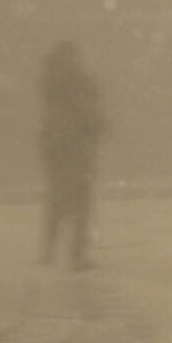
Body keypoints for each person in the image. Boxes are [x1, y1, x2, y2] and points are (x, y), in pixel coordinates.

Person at [39, 39, 104, 271]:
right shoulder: (81, 81)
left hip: (56, 145)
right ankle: (77, 254)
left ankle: (49, 247)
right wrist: (97, 129)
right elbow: (91, 113)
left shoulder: (51, 82)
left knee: (59, 197)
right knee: (81, 201)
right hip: (77, 145)